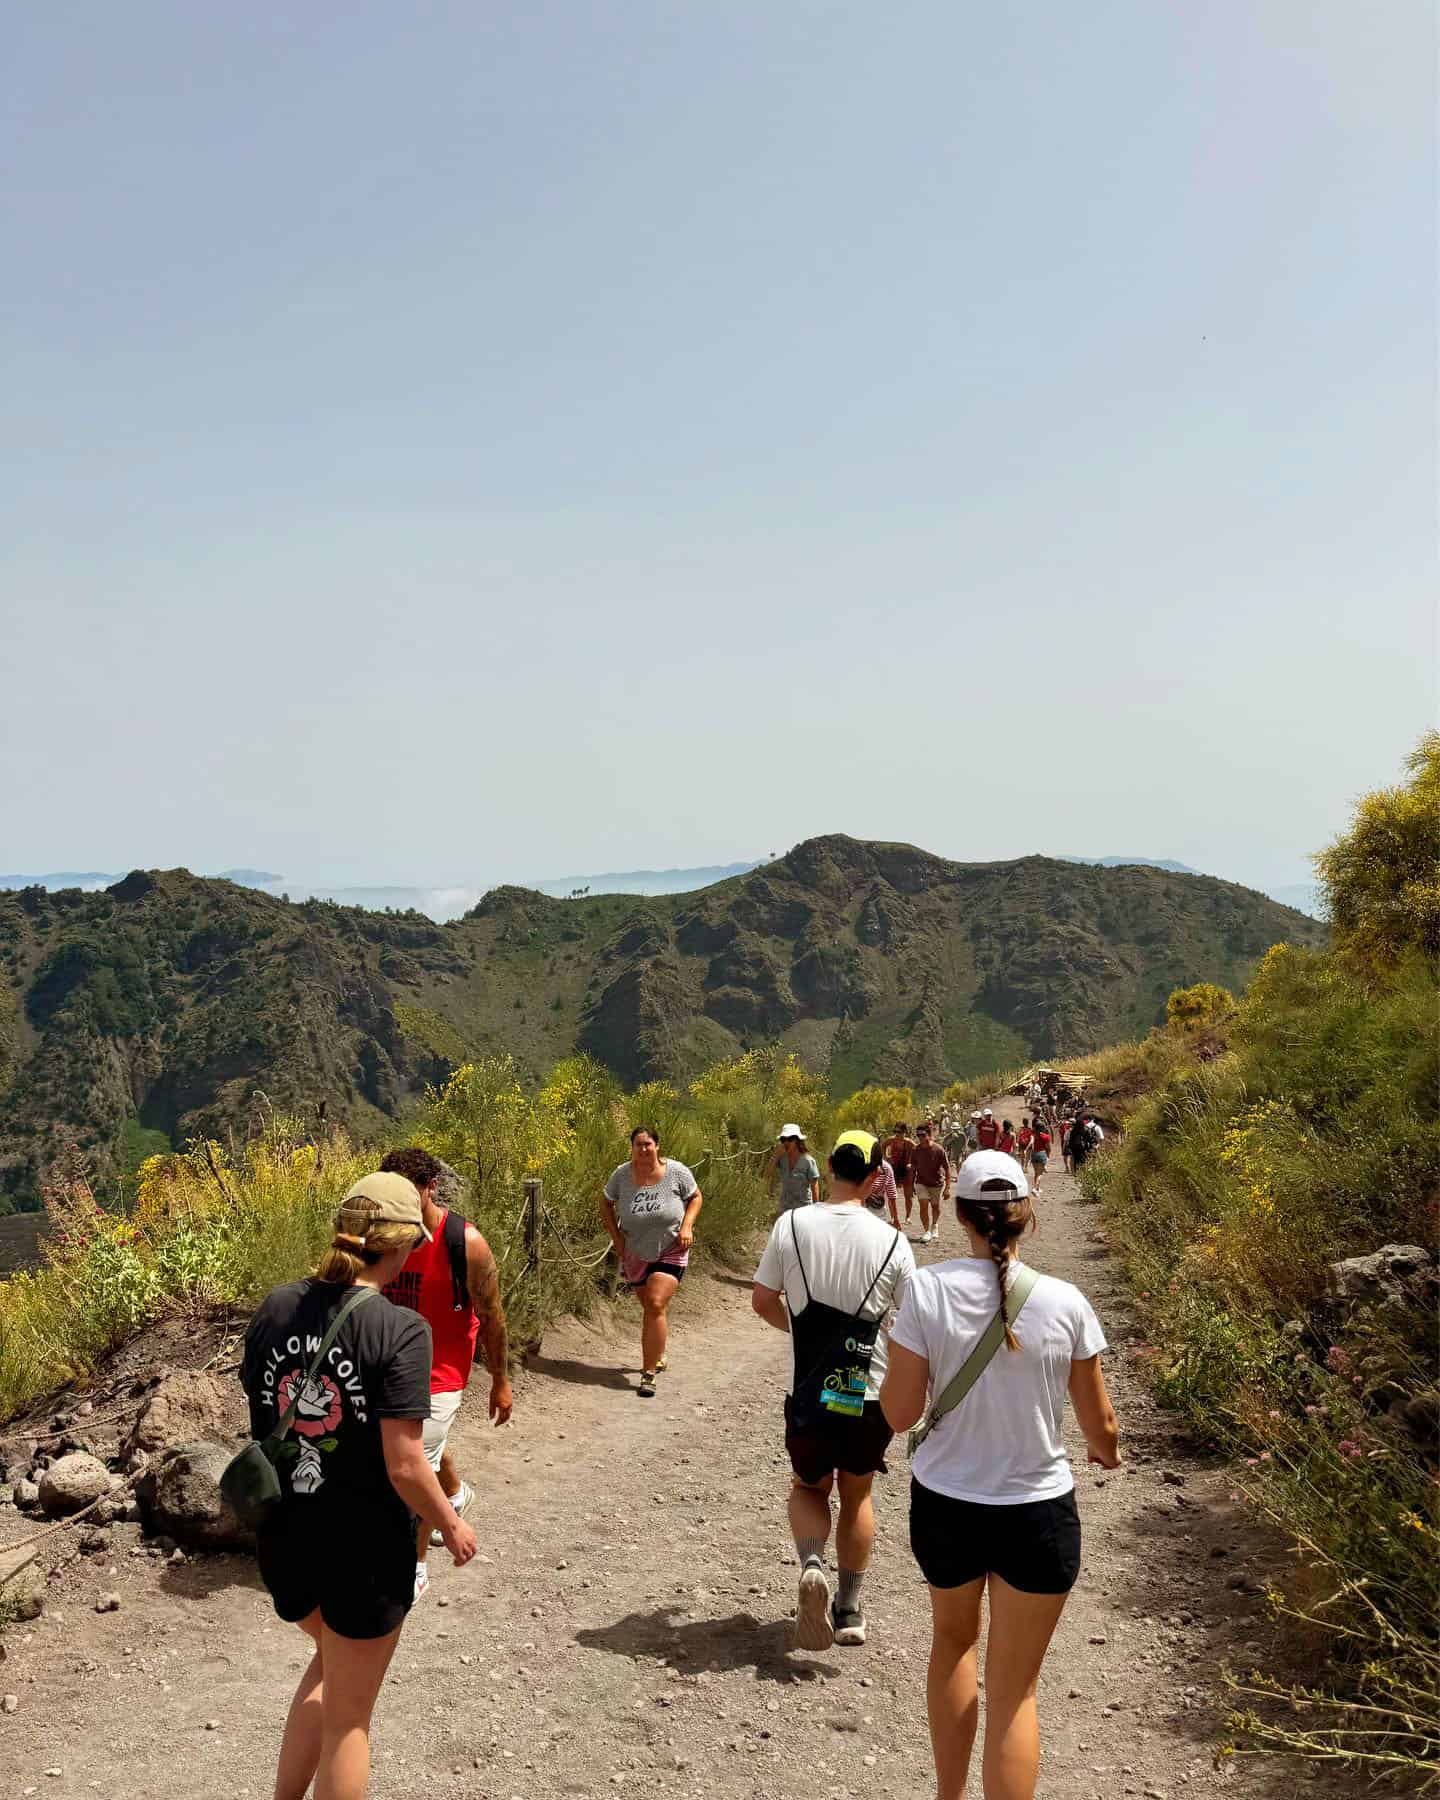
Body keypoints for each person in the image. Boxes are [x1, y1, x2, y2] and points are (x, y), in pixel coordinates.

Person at [879, 1150, 1120, 1800]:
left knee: (953, 1645)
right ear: (1027, 1217)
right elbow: (1101, 1430)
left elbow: (899, 1415)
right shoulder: (1068, 1303)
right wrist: (1108, 1451)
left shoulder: (926, 1292)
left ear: (958, 1214)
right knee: (1015, 1693)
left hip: (947, 1506)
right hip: (1037, 1514)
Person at [240, 1174, 479, 1800]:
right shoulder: (400, 1330)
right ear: (403, 1247)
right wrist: (450, 1522)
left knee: (331, 1668)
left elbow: (262, 1413)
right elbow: (404, 1463)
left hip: (285, 1537)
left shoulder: (275, 1307)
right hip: (363, 1550)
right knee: (351, 1718)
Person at [752, 1130, 916, 1650]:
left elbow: (761, 1300)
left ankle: (811, 1563)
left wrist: (803, 1334)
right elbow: (910, 1324)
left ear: (829, 1165)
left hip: (809, 1391)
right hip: (867, 1393)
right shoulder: (892, 1241)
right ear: (874, 1178)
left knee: (808, 1486)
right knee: (858, 1491)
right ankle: (848, 1608)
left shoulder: (792, 1224)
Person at [378, 1148, 513, 1602]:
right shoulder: (381, 1235)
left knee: (411, 1466)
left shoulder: (465, 1243)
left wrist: (500, 1380)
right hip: (387, 1362)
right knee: (423, 1449)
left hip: (440, 1369)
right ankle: (453, 1494)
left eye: (408, 1191)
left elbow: (493, 1315)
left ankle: (412, 1566)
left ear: (431, 1187)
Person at [602, 1127, 703, 1398]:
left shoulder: (677, 1172)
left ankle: (648, 1374)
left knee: (656, 1303)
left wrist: (687, 1227)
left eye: (648, 1144)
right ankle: (657, 1354)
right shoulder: (621, 1175)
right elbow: (605, 1203)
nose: (643, 1149)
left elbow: (695, 1197)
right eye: (638, 1145)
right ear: (632, 1147)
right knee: (650, 1307)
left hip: (672, 1247)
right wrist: (618, 1240)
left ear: (657, 1146)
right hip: (635, 1251)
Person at [911, 1122, 951, 1245]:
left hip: (936, 1183)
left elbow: (947, 1168)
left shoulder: (938, 1149)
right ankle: (926, 1231)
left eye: (922, 1135)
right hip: (921, 1182)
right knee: (923, 1205)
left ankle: (934, 1225)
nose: (920, 1138)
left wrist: (947, 1188)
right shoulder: (916, 1150)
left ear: (929, 1135)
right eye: (918, 1135)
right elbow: (913, 1167)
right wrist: (912, 1183)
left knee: (935, 1206)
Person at [766, 1126, 821, 1214]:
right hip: (785, 1209)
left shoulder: (808, 1161)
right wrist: (775, 1156)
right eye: (783, 1140)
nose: (786, 1143)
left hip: (804, 1208)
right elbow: (767, 1174)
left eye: (790, 1139)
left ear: (797, 1141)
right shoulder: (782, 1159)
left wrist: (816, 1210)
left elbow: (814, 1186)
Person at [883, 1122, 917, 1224]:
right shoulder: (891, 1140)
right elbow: (882, 1146)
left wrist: (911, 1162)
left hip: (906, 1170)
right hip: (894, 1168)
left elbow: (917, 1151)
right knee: (891, 1193)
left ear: (904, 1132)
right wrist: (886, 1158)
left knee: (908, 1195)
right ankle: (893, 1216)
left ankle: (908, 1217)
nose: (897, 1134)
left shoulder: (909, 1142)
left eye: (899, 1132)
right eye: (895, 1131)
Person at [1029, 1121, 1052, 1194]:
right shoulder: (1046, 1137)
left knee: (1036, 1173)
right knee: (1040, 1174)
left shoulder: (1033, 1135)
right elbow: (1048, 1148)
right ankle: (1035, 1188)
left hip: (1034, 1154)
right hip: (1041, 1154)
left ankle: (1037, 1188)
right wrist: (1048, 1156)